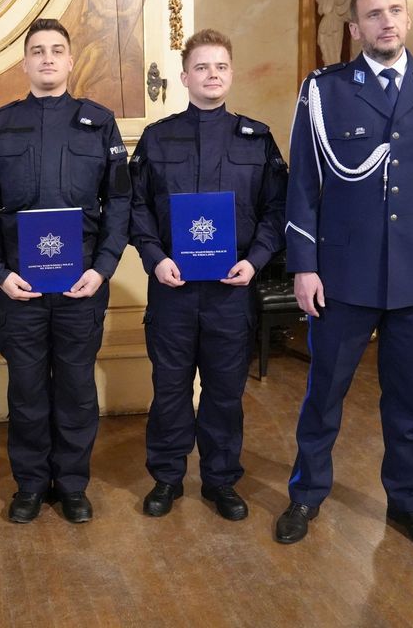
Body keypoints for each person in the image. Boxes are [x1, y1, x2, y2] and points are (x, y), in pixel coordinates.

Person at [277, 0, 413, 555]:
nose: (386, 21)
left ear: (407, 20)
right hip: (342, 277)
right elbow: (305, 187)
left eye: (394, 11)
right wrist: (304, 265)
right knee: (324, 396)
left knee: (408, 401)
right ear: (355, 28)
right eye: (372, 15)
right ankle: (307, 493)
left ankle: (408, 503)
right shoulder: (326, 91)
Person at [0, 18, 130, 524]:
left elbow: (120, 200)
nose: (46, 59)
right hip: (19, 286)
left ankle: (74, 485)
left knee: (77, 389)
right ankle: (32, 484)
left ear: (69, 60)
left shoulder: (98, 122)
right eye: (36, 51)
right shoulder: (0, 125)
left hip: (82, 284)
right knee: (27, 389)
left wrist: (103, 268)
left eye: (56, 50)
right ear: (25, 62)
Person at [128, 29, 287, 521]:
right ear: (184, 77)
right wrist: (156, 257)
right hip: (173, 289)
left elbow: (276, 209)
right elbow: (134, 208)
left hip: (230, 292)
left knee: (224, 392)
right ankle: (168, 477)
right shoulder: (157, 137)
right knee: (170, 389)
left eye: (220, 66)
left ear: (231, 74)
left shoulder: (257, 138)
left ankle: (220, 480)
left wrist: (256, 259)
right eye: (201, 67)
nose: (211, 75)